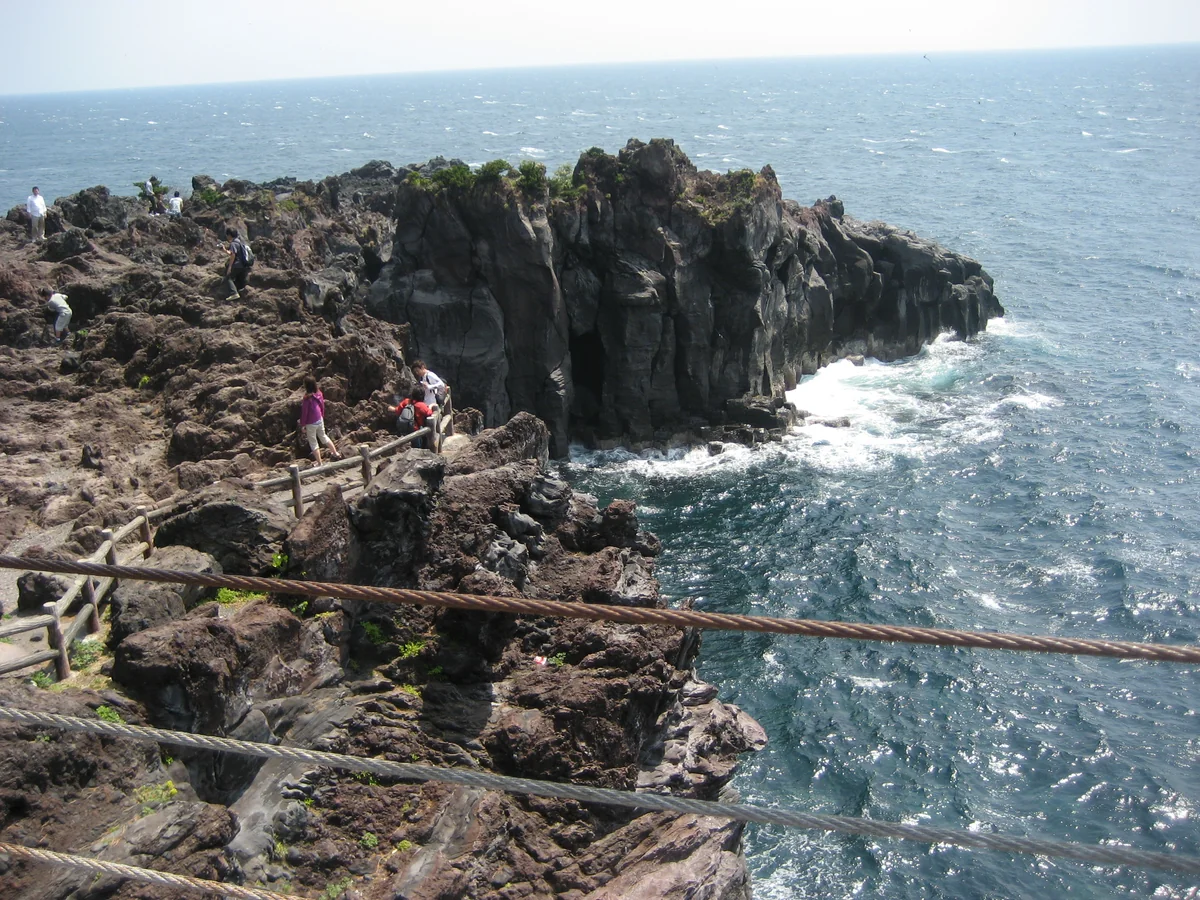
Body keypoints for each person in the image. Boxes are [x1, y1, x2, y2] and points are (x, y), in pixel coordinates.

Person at [299, 376, 341, 465]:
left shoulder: (307, 399)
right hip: (319, 419)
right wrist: (322, 415)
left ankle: (319, 463)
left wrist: (303, 424)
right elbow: (322, 405)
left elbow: (304, 413)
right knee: (323, 436)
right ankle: (335, 453)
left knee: (313, 442)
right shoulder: (319, 394)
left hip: (311, 423)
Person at [224, 227, 252, 300]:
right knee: (239, 279)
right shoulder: (239, 242)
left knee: (228, 277)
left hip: (237, 265)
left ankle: (234, 293)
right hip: (243, 266)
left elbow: (233, 255)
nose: (227, 237)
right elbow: (232, 253)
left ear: (229, 235)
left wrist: (230, 267)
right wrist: (224, 250)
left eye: (227, 235)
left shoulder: (233, 243)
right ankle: (241, 293)